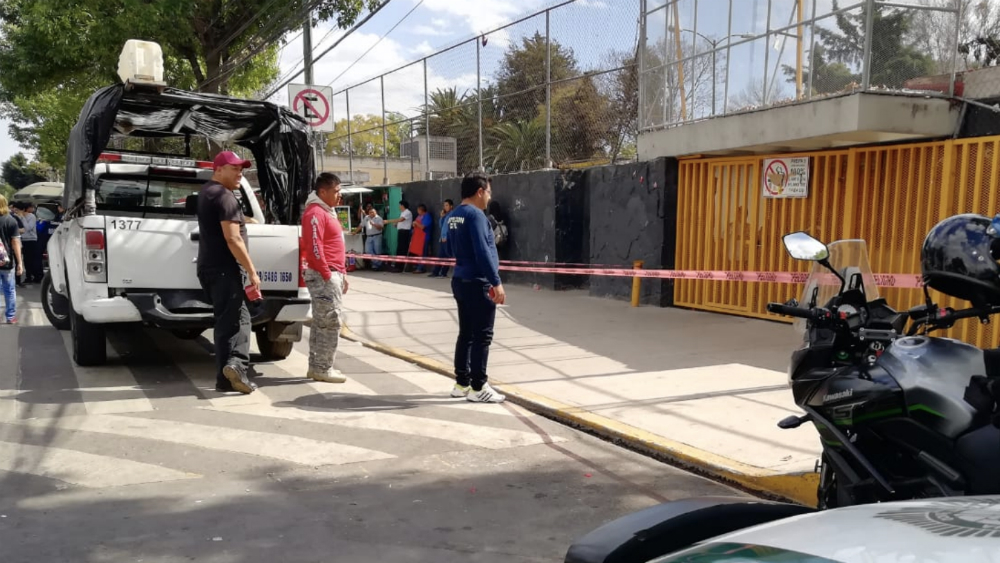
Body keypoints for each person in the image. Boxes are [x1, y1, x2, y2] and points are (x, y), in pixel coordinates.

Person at [196, 151, 259, 395]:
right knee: (237, 320)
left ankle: (226, 377)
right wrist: (252, 271)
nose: (239, 173)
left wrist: (245, 220)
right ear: (219, 169)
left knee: (229, 321)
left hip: (209, 268)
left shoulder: (207, 192)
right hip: (225, 269)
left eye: (241, 169)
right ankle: (236, 366)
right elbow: (233, 239)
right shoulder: (225, 197)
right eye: (234, 168)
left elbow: (225, 223)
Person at [447, 172, 506, 403]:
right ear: (480, 191)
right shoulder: (477, 216)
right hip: (478, 281)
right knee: (482, 336)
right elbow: (483, 251)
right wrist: (496, 282)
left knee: (466, 334)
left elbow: (450, 249)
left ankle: (461, 383)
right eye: (489, 192)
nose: (490, 198)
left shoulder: (453, 215)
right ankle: (479, 386)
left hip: (460, 279)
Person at [301, 172, 349, 384]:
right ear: (323, 192)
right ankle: (322, 367)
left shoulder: (327, 212)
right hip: (324, 275)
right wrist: (327, 274)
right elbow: (314, 247)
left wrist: (343, 274)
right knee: (330, 322)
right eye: (336, 191)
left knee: (323, 322)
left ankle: (318, 367)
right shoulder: (315, 213)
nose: (339, 196)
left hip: (331, 273)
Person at [0, 195, 24, 324]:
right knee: (9, 290)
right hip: (7, 261)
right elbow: (15, 242)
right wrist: (20, 262)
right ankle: (10, 317)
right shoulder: (11, 221)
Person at [384, 200, 413, 272]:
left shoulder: (407, 212)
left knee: (402, 249)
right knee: (399, 249)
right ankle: (397, 266)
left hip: (405, 232)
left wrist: (388, 221)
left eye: (399, 205)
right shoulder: (402, 213)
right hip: (401, 232)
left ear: (402, 205)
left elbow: (401, 220)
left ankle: (401, 267)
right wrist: (396, 225)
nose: (399, 207)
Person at [430, 199, 454, 278]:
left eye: (447, 205)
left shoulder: (452, 215)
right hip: (442, 238)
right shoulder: (445, 215)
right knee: (440, 256)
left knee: (447, 256)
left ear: (451, 206)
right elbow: (441, 226)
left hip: (448, 238)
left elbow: (449, 228)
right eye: (444, 205)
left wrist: (446, 236)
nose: (445, 207)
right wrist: (441, 217)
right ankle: (436, 272)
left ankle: (443, 272)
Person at [413, 203, 433, 274]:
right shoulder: (419, 216)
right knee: (418, 253)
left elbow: (423, 227)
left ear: (421, 210)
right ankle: (417, 265)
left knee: (423, 253)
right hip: (418, 238)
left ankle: (421, 267)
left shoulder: (427, 216)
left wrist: (416, 223)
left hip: (424, 237)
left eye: (418, 210)